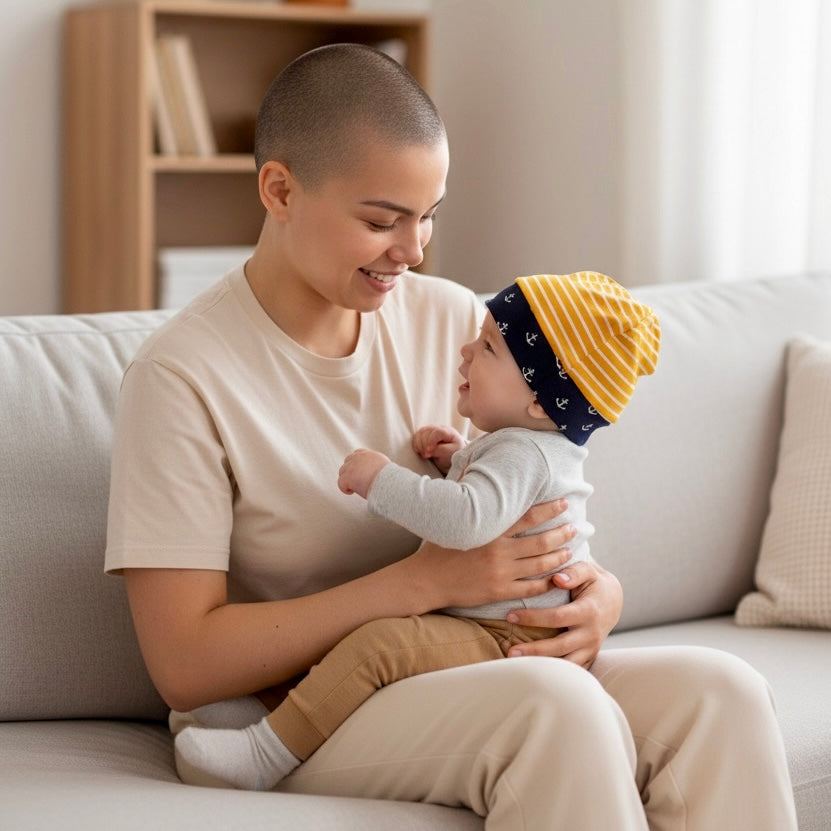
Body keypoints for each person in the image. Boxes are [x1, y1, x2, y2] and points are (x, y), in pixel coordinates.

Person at [105, 44, 798, 830]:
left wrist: (597, 595)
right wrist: (420, 583)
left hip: (465, 658)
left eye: (429, 215)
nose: (414, 249)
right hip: (291, 719)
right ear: (279, 189)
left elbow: (525, 491)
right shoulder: (180, 376)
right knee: (553, 709)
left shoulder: (455, 323)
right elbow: (184, 665)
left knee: (723, 694)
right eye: (381, 220)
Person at [171, 271, 662, 791]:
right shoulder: (531, 446)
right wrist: (460, 458)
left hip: (505, 633)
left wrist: (380, 479)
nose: (467, 351)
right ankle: (272, 715)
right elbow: (502, 502)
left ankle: (264, 754)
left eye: (491, 347)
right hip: (514, 626)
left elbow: (467, 520)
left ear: (541, 402)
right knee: (380, 646)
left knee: (379, 648)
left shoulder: (524, 452)